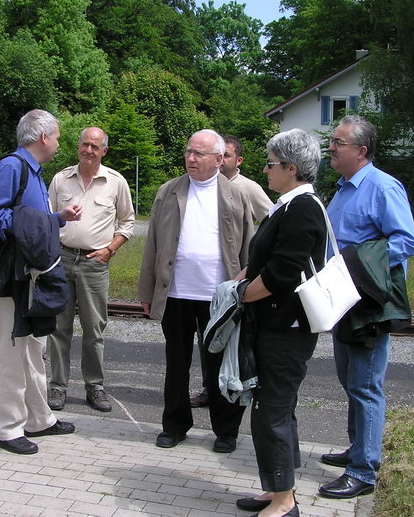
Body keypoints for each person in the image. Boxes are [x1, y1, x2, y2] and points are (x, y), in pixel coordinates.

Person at [318, 115, 414, 498]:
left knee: (365, 385)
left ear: (361, 151)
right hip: (343, 298)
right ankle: (357, 449)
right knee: (349, 379)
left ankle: (363, 471)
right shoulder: (343, 188)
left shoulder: (383, 187)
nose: (331, 147)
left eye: (338, 142)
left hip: (369, 304)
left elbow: (407, 242)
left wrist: (356, 265)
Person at [138, 129, 254, 452]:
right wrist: (147, 292)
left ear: (218, 160)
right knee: (176, 362)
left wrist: (246, 293)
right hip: (175, 294)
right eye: (188, 151)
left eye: (198, 153)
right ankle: (175, 425)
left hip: (219, 298)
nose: (190, 158)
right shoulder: (168, 191)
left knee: (219, 366)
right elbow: (152, 247)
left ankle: (226, 430)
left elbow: (247, 247)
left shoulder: (235, 195)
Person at [0, 109, 82, 455]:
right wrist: (33, 227)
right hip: (11, 275)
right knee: (10, 349)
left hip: (29, 274)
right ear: (42, 137)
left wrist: (56, 219)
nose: (59, 143)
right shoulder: (12, 167)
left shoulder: (33, 172)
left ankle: (39, 419)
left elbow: (29, 218)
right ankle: (6, 428)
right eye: (58, 137)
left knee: (33, 348)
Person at [233, 129, 328, 517]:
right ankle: (275, 489)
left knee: (272, 409)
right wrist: (240, 280)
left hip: (286, 331)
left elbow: (282, 274)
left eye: (271, 163)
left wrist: (240, 296)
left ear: (291, 168)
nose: (265, 169)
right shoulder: (287, 205)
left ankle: (285, 500)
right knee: (275, 407)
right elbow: (265, 262)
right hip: (275, 327)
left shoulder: (302, 206)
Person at [47, 127, 135, 413]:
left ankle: (94, 386)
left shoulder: (115, 182)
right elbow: (47, 219)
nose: (88, 150)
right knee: (59, 327)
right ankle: (58, 386)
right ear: (78, 147)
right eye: (85, 144)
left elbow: (128, 223)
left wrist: (110, 249)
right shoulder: (61, 179)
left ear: (104, 151)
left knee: (94, 329)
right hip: (61, 259)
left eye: (95, 146)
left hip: (95, 262)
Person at [191, 134, 274, 409]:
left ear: (236, 160)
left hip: (232, 278)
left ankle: (226, 395)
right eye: (221, 155)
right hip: (196, 283)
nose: (223, 160)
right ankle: (207, 388)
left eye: (227, 156)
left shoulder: (246, 188)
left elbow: (271, 219)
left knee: (222, 341)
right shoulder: (200, 184)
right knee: (205, 342)